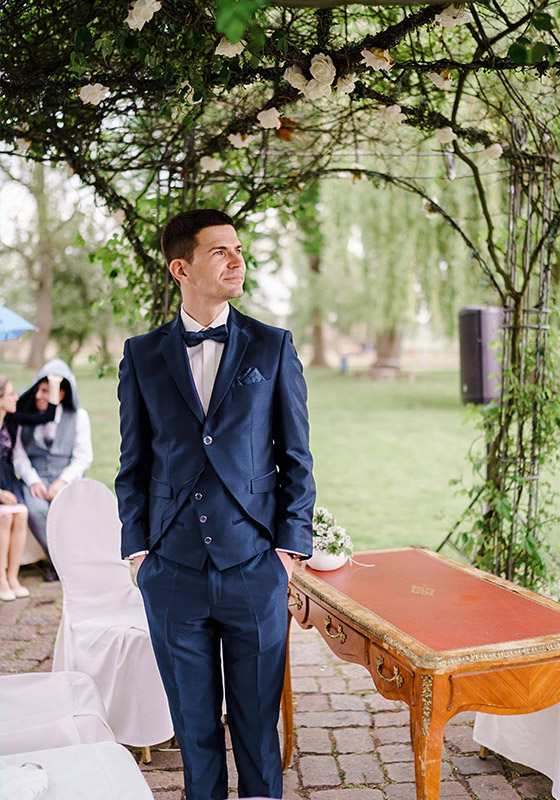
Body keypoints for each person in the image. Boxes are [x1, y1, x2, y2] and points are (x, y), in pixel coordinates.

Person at [116, 208, 315, 800]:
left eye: (238, 249)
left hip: (255, 568)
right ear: (182, 268)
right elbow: (134, 464)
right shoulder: (143, 355)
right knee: (195, 734)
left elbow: (298, 457)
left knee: (257, 733)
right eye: (220, 251)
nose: (237, 259)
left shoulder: (272, 347)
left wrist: (286, 551)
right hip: (171, 573)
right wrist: (139, 555)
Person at [12, 359, 92, 582]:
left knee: (67, 508)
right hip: (35, 477)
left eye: (46, 391)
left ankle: (66, 564)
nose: (38, 396)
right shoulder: (23, 419)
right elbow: (18, 455)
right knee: (36, 509)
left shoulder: (79, 417)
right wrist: (33, 481)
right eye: (38, 389)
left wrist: (62, 481)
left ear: (62, 394)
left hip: (66, 477)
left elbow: (83, 456)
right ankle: (61, 563)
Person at [0, 375, 33, 600]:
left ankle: (13, 576)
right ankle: (0, 578)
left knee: (21, 514)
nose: (16, 398)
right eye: (11, 394)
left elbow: (43, 415)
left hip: (6, 479)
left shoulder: (10, 420)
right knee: (5, 517)